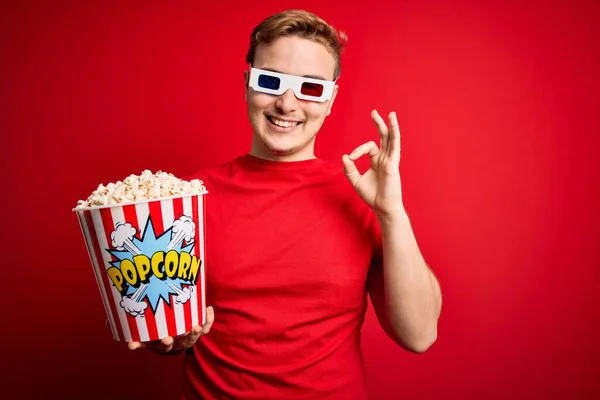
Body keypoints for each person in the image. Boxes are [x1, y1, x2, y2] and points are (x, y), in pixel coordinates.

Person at [128, 9, 442, 399]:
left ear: (330, 100)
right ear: (246, 85)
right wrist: (168, 338)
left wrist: (391, 213)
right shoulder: (185, 198)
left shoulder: (362, 196)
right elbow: (165, 322)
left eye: (310, 88)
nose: (287, 104)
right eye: (270, 81)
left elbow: (420, 334)